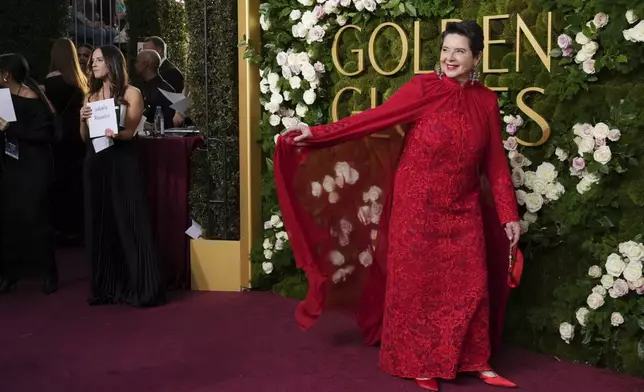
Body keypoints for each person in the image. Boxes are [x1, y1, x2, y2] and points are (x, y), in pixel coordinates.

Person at [275, 21, 523, 391]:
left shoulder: (486, 100)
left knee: (470, 284)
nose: (450, 57)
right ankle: (418, 361)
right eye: (446, 49)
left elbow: (495, 163)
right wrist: (319, 133)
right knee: (418, 287)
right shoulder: (423, 87)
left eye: (460, 51)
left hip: (464, 204)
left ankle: (474, 359)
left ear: (477, 57)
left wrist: (508, 215)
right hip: (418, 205)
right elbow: (373, 119)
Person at [79, 45, 165, 307]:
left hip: (123, 160)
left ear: (112, 62)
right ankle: (106, 286)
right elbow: (84, 138)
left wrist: (116, 133)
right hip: (95, 163)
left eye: (99, 60)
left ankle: (141, 287)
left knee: (129, 220)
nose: (93, 64)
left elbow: (131, 133)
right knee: (99, 222)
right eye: (92, 60)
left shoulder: (132, 93)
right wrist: (82, 119)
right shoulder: (90, 96)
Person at [0, 54, 58, 294]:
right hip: (11, 165)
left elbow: (46, 135)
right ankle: (11, 273)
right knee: (10, 220)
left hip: (35, 166)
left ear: (6, 75)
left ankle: (49, 272)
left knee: (36, 218)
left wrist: (12, 128)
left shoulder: (33, 99)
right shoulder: (3, 97)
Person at [45, 38, 89, 245]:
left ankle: (63, 228)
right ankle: (78, 228)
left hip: (61, 134)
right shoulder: (81, 80)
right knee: (77, 181)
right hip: (80, 131)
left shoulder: (52, 80)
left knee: (61, 181)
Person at [133, 49, 175, 128]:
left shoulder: (166, 91)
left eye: (137, 61)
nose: (135, 65)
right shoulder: (137, 86)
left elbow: (168, 123)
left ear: (145, 64)